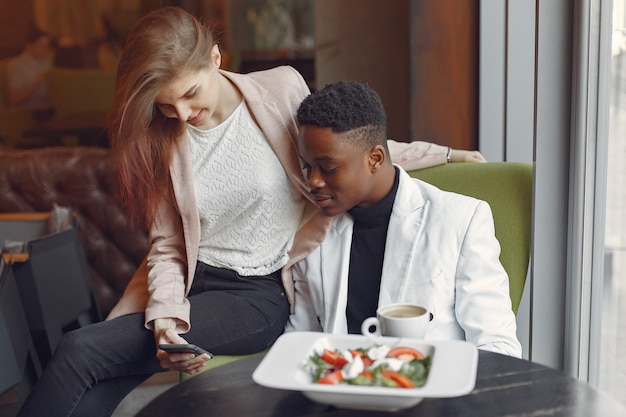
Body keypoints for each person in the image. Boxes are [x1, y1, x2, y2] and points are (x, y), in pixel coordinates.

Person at [16, 7, 486, 417]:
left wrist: (441, 153)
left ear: (216, 59)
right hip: (187, 284)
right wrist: (166, 317)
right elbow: (166, 246)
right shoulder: (163, 136)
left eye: (190, 94)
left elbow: (349, 146)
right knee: (99, 375)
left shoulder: (278, 89)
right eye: (165, 104)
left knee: (80, 350)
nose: (180, 113)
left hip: (253, 295)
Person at [285, 80, 522, 358]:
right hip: (337, 390)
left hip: (435, 390)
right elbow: (299, 339)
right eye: (306, 166)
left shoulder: (461, 220)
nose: (313, 181)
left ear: (375, 158)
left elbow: (497, 346)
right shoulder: (309, 232)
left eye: (328, 168)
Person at [6, 28, 54, 113]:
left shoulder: (46, 62)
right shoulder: (16, 65)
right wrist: (36, 83)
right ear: (28, 46)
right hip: (26, 113)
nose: (46, 50)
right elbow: (14, 99)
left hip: (47, 109)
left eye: (47, 46)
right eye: (42, 46)